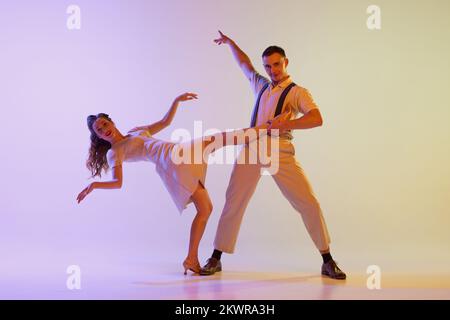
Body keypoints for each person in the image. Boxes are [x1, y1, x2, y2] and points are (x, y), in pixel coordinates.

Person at [76, 92, 279, 275]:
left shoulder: (136, 131)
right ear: (98, 136)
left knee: (206, 207)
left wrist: (176, 101)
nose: (104, 130)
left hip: (178, 152)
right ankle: (266, 128)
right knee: (213, 143)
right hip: (171, 162)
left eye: (104, 124)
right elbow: (117, 182)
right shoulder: (114, 152)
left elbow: (165, 122)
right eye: (99, 130)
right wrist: (94, 186)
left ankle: (191, 258)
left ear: (111, 122)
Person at [199, 31, 346, 280]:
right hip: (252, 147)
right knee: (234, 200)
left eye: (276, 64)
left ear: (286, 62)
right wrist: (231, 43)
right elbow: (245, 64)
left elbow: (316, 118)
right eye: (268, 66)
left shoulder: (298, 92)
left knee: (308, 202)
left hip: (280, 149)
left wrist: (285, 124)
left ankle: (327, 259)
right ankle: (216, 257)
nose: (272, 70)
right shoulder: (262, 85)